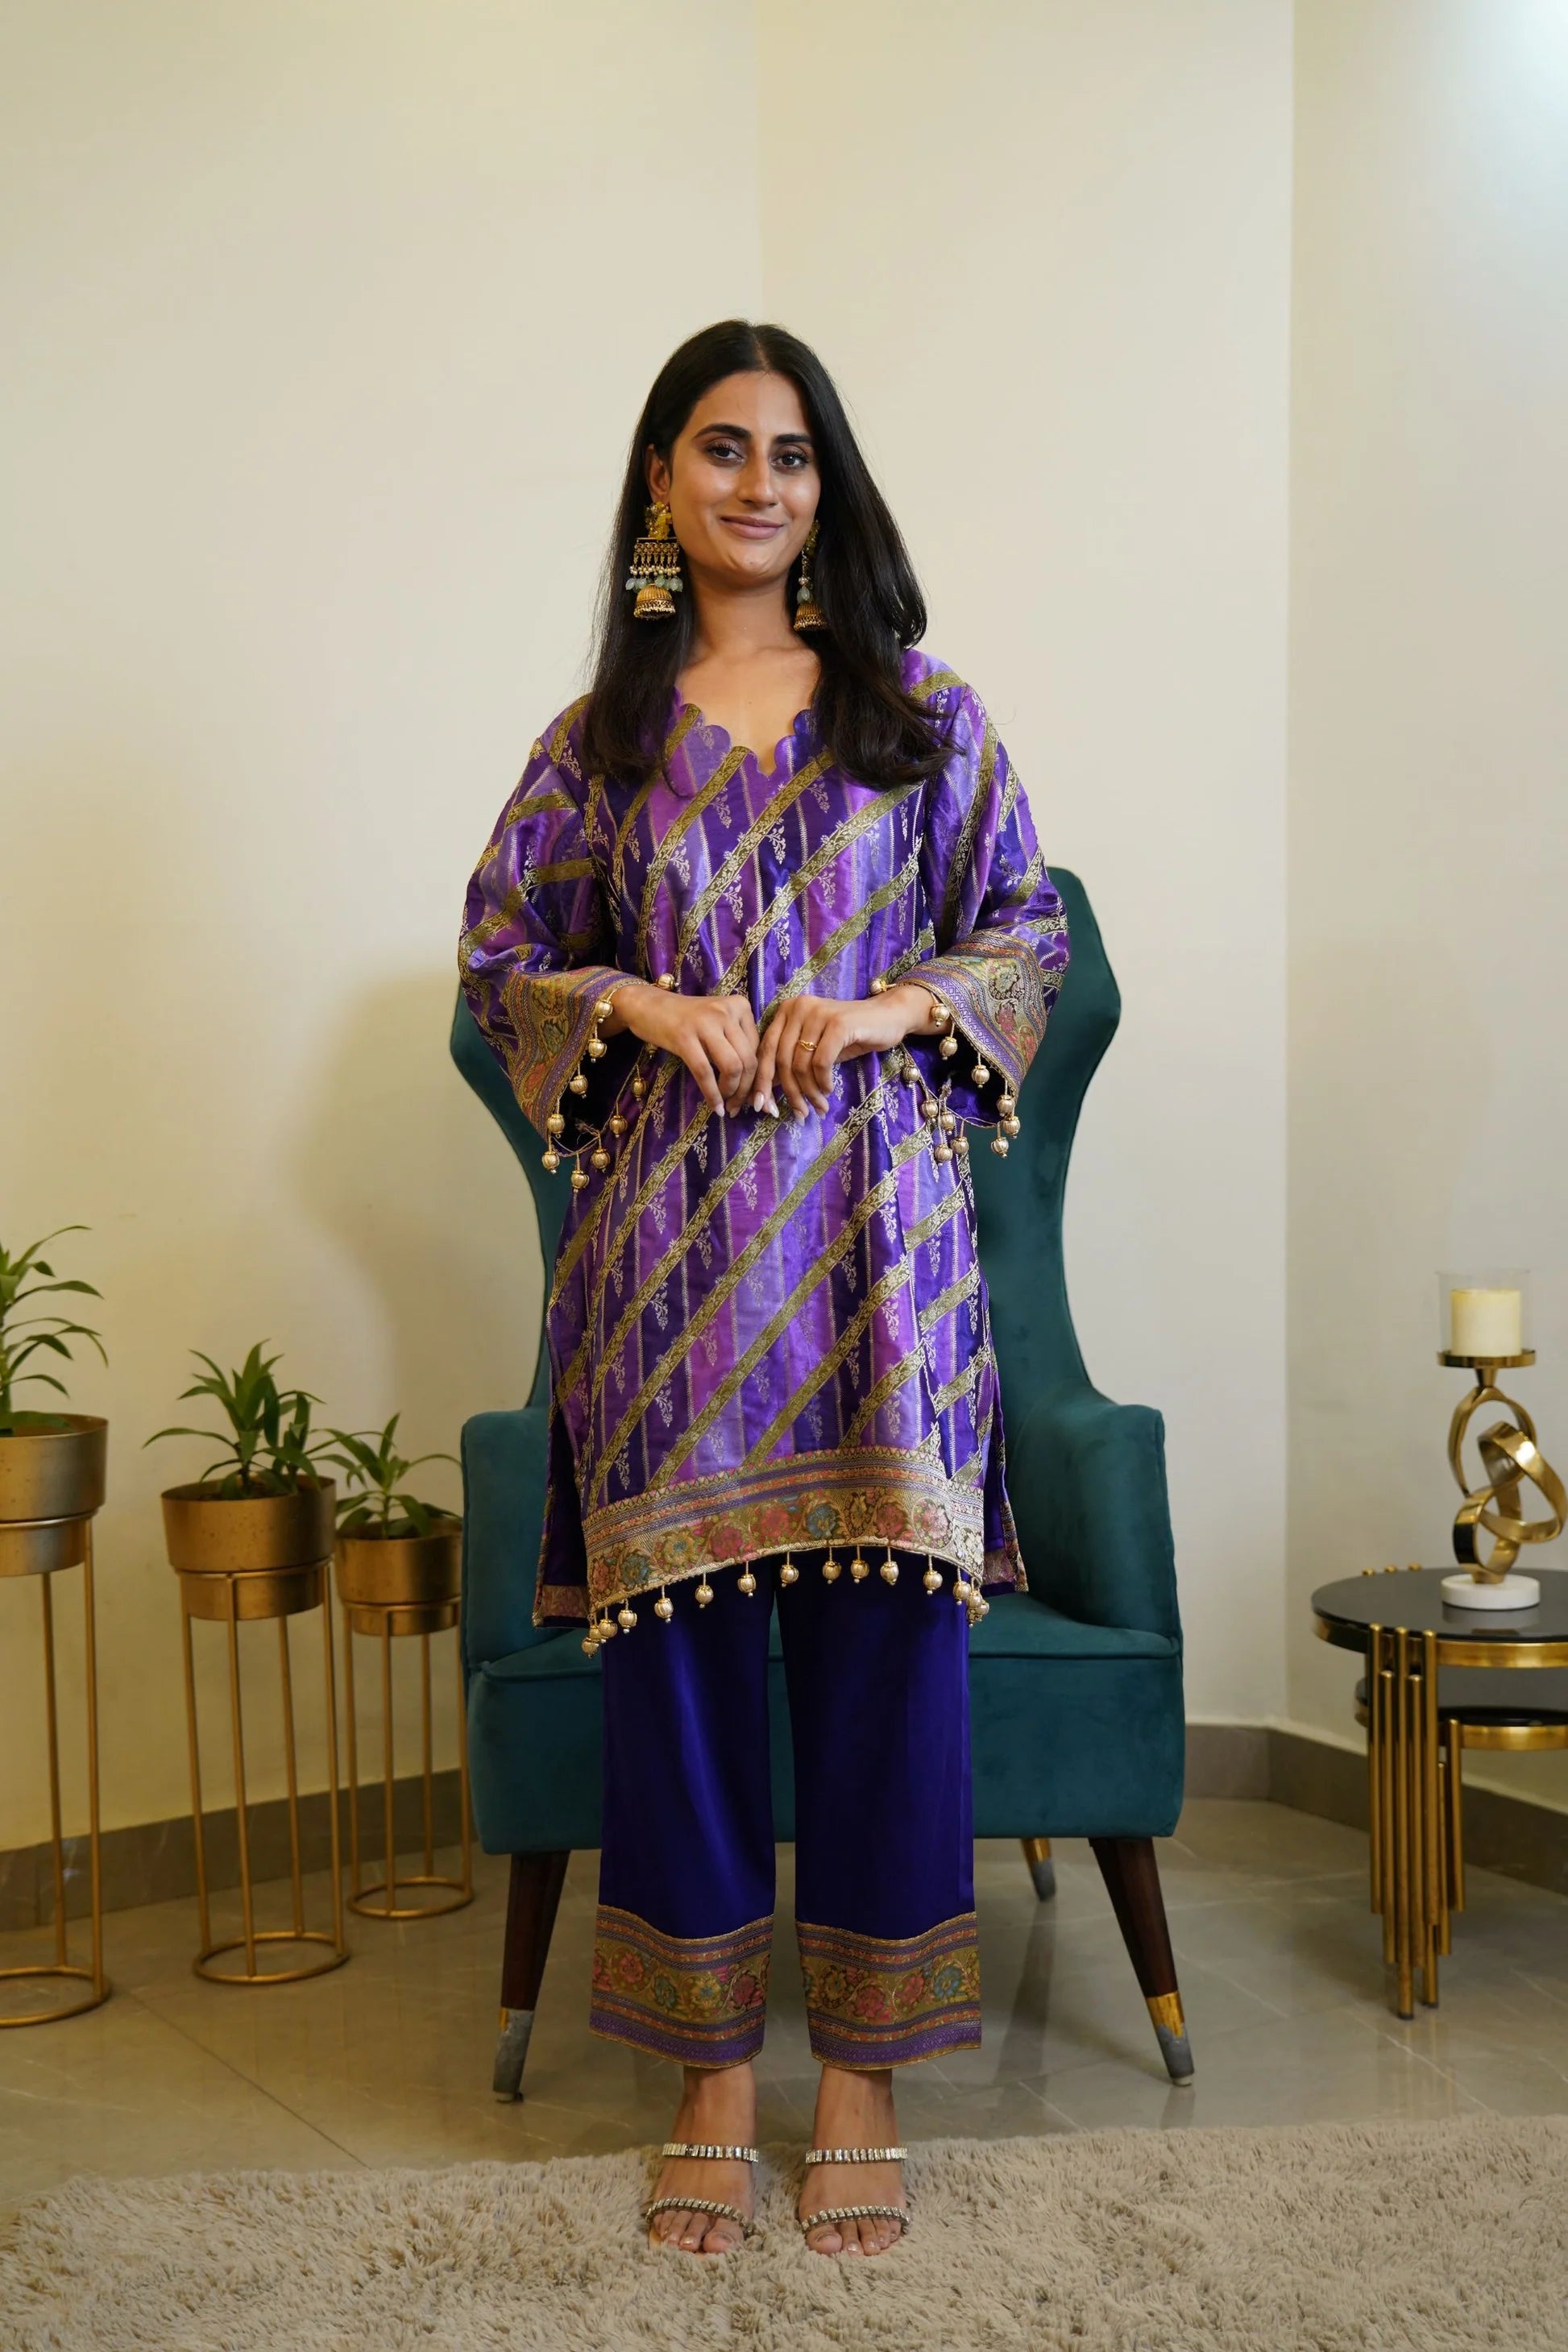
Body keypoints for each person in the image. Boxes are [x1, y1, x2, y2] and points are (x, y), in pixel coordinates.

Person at [458, 320, 1069, 2258]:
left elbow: (1026, 929)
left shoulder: (919, 713)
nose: (757, 483)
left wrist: (887, 1005)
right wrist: (639, 999)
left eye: (791, 454)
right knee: (683, 1675)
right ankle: (713, 2076)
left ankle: (864, 2078)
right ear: (662, 480)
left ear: (827, 487)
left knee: (894, 1660)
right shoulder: (598, 744)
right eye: (721, 448)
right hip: (667, 1273)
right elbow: (501, 958)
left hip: (886, 1261)